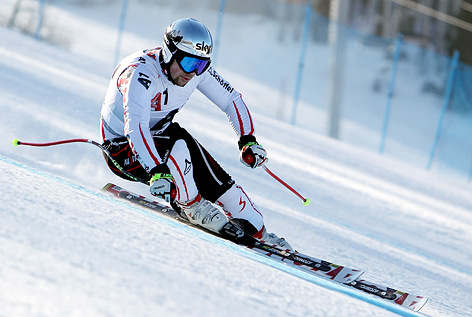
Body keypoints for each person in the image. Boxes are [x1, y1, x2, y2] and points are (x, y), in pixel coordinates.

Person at [100, 18, 292, 251]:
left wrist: (247, 139)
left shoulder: (195, 71)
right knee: (179, 144)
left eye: (201, 65)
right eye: (190, 63)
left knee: (221, 184)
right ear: (170, 52)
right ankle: (191, 205)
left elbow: (231, 100)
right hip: (122, 150)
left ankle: (259, 233)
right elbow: (136, 128)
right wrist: (157, 171)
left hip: (163, 136)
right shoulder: (140, 74)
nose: (194, 72)